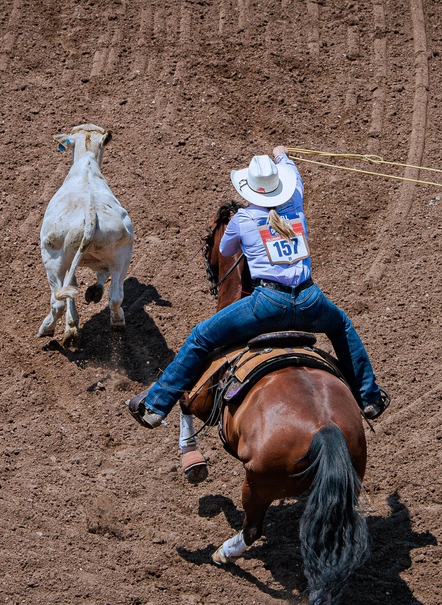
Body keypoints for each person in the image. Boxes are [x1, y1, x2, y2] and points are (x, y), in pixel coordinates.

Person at [127, 146, 390, 469]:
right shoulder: (294, 203)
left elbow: (225, 249)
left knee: (201, 337)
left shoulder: (242, 219)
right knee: (341, 327)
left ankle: (156, 405)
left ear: (249, 189)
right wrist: (282, 155)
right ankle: (369, 397)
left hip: (268, 303)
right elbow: (294, 175)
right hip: (310, 300)